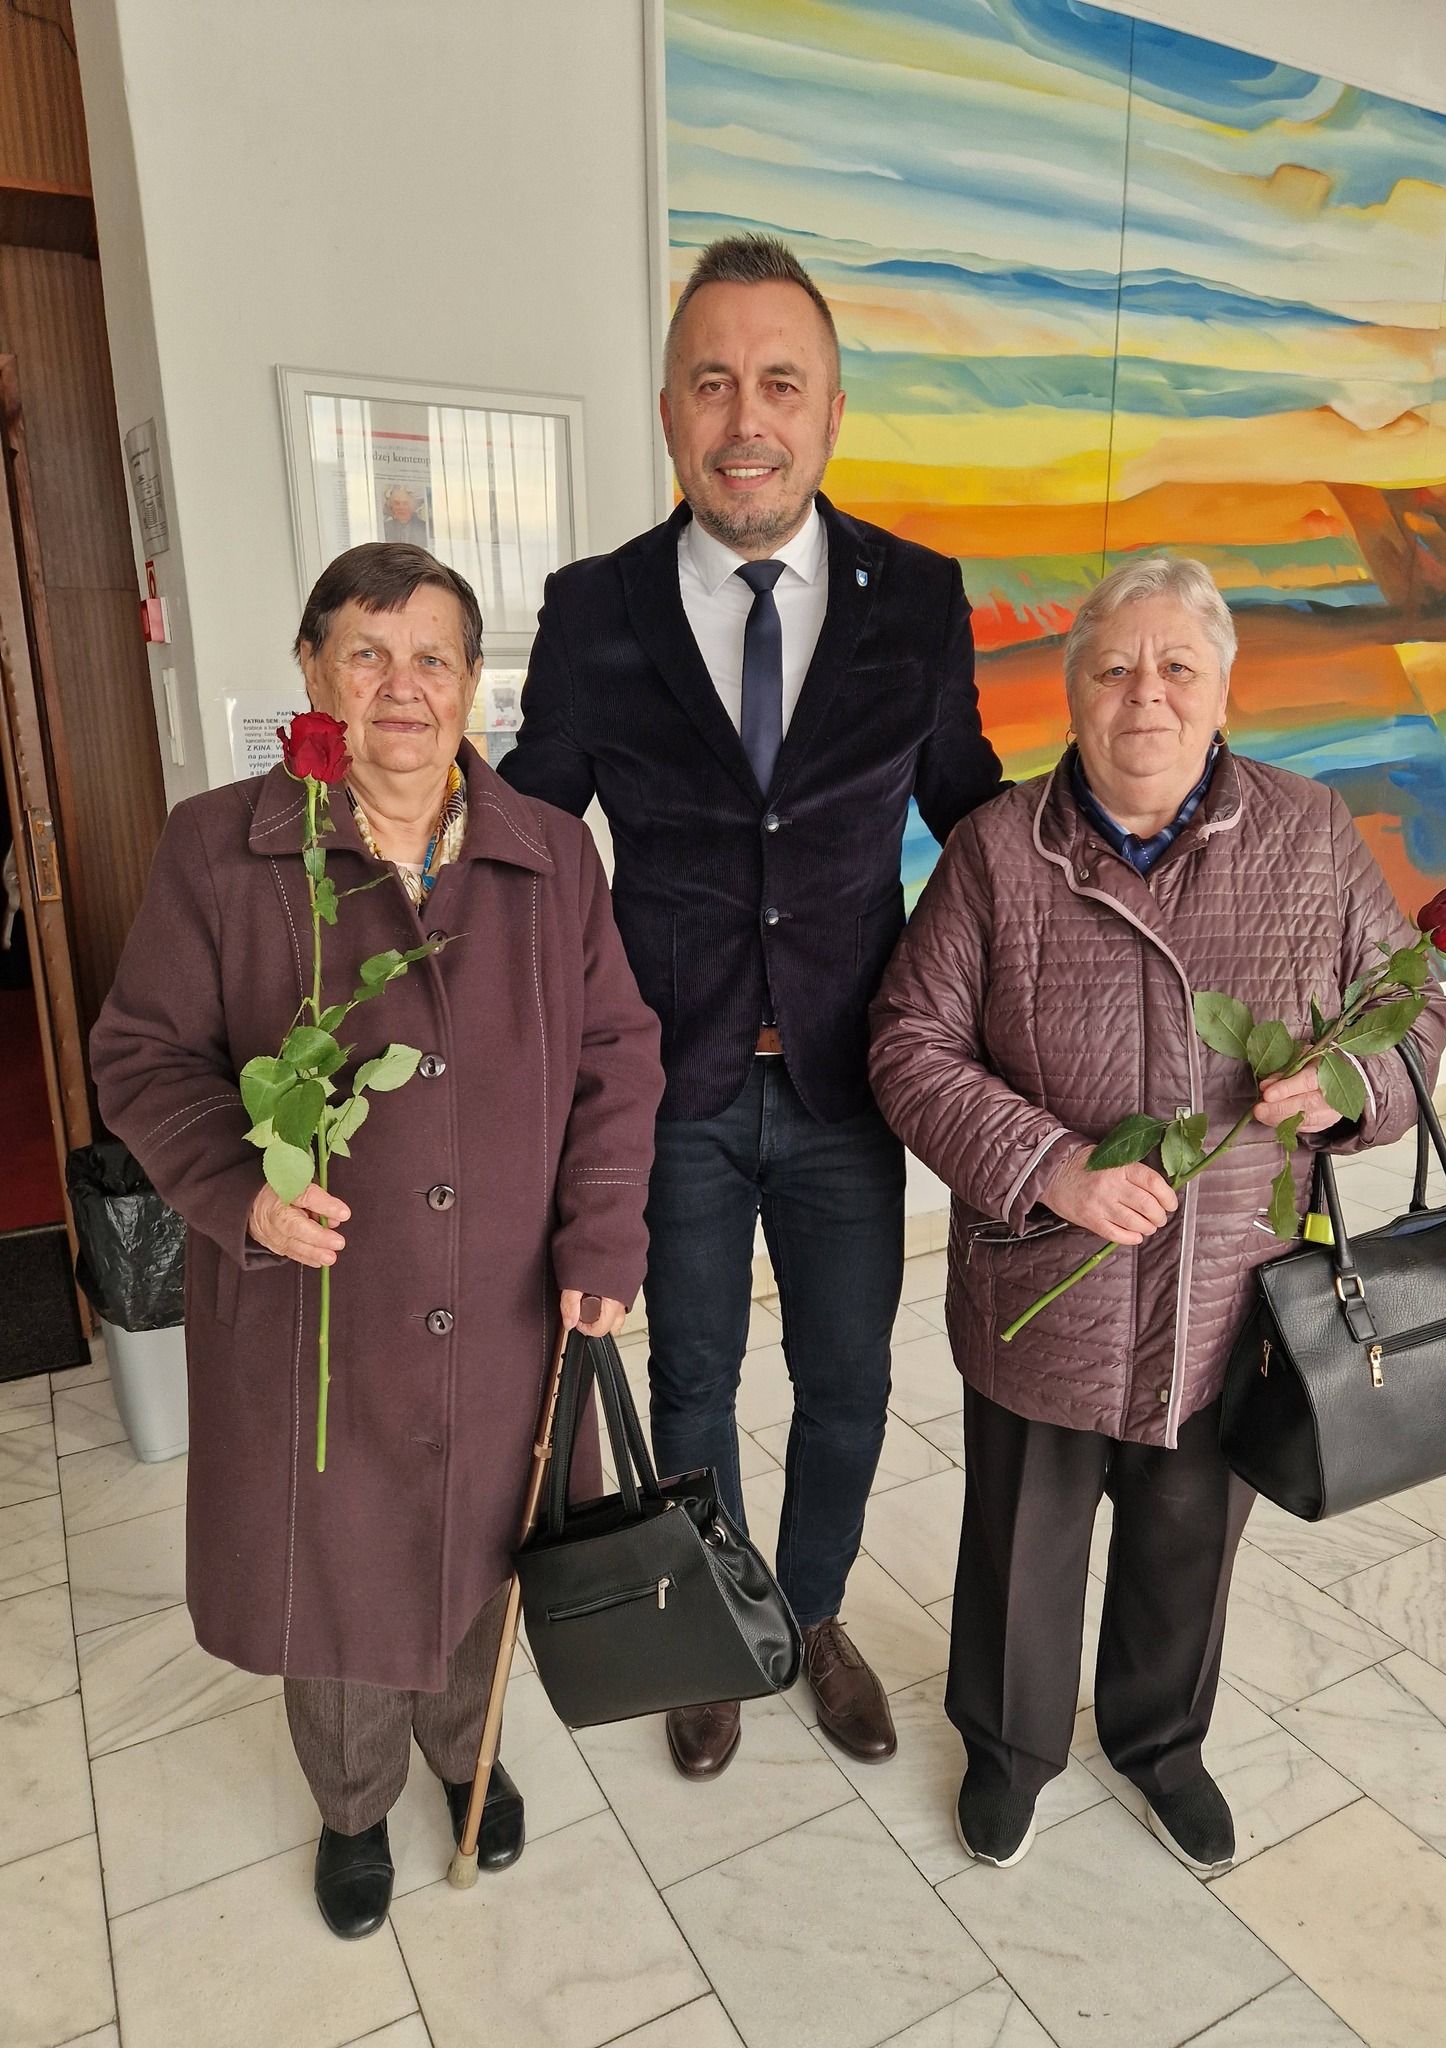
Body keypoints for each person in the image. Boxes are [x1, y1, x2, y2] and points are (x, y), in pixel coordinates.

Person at [91, 542, 663, 1937]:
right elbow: (144, 1055)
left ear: (473, 685)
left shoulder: (549, 854)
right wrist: (243, 1194)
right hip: (318, 1300)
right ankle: (351, 1804)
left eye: (433, 659)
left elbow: (618, 1054)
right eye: (366, 653)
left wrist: (602, 1242)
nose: (402, 687)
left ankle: (467, 1756)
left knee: (486, 1541)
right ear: (312, 670)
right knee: (338, 1558)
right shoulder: (222, 849)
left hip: (509, 1301)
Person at [500, 234, 1005, 1778]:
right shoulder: (593, 606)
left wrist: (1139, 883)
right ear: (668, 410)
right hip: (674, 1082)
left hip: (857, 1075)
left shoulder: (918, 599)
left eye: (781, 383)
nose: (746, 419)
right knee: (694, 1376)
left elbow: (975, 813)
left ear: (830, 411)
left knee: (851, 1379)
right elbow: (532, 825)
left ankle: (817, 1607)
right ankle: (715, 1624)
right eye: (712, 382)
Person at [868, 555, 1446, 1874]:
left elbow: (1410, 1009)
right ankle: (1008, 1750)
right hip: (1045, 1284)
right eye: (1116, 668)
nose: (1148, 693)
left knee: (1190, 1541)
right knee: (1022, 1546)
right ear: (1073, 694)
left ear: (1223, 689)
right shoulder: (997, 851)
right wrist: (1050, 1165)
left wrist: (1350, 1087)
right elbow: (909, 1044)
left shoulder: (1309, 834)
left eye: (1178, 666)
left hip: (1234, 1291)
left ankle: (1162, 1746)